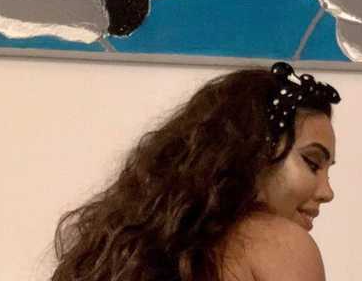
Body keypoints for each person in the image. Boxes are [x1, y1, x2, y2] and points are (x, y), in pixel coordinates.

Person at [51, 62, 341, 281]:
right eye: (312, 163)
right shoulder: (281, 244)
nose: (327, 192)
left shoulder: (134, 252)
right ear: (255, 152)